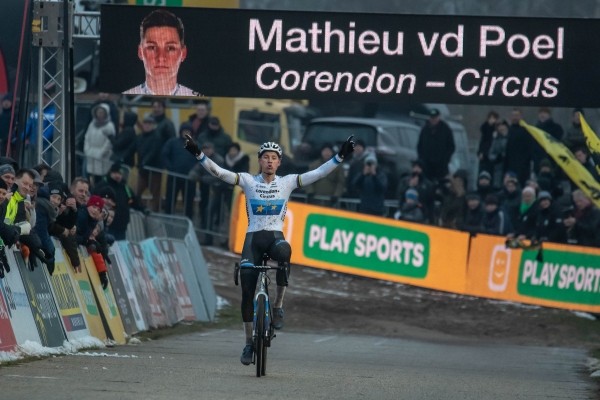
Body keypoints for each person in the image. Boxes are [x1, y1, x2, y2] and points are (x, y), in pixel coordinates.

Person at [183, 134, 355, 366]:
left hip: (275, 239)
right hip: (252, 241)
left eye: (274, 158)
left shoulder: (288, 182)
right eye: (266, 158)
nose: (270, 162)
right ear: (260, 161)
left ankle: (278, 306)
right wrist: (199, 154)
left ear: (280, 162)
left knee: (286, 252)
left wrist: (340, 156)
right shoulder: (247, 180)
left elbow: (319, 173)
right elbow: (220, 173)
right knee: (246, 291)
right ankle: (248, 343)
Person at [123, 9, 197, 96]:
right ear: (140, 52)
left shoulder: (197, 96)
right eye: (152, 47)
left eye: (170, 48)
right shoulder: (126, 94)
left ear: (183, 53)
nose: (161, 57)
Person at [94, 163, 147, 241]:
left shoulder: (125, 188)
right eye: (115, 173)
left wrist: (144, 209)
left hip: (122, 227)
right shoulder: (102, 185)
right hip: (108, 225)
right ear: (110, 173)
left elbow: (134, 202)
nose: (118, 176)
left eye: (119, 173)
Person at [162, 122, 198, 218]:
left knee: (188, 202)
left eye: (188, 131)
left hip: (189, 178)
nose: (186, 133)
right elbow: (165, 155)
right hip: (174, 177)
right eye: (184, 131)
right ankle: (168, 218)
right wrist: (170, 168)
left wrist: (195, 172)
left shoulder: (195, 144)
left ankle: (188, 220)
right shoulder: (172, 142)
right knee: (170, 199)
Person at [416, 108, 455, 182]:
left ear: (438, 117)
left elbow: (451, 146)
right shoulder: (425, 129)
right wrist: (421, 159)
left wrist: (445, 159)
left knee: (441, 183)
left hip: (441, 166)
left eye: (435, 117)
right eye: (432, 117)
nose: (433, 119)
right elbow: (420, 146)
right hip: (427, 165)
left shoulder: (445, 129)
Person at [135, 113, 163, 212]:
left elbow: (153, 152)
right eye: (145, 123)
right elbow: (135, 149)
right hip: (143, 170)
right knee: (137, 193)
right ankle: (140, 209)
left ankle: (155, 212)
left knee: (155, 193)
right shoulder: (139, 137)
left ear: (153, 125)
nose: (147, 125)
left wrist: (144, 162)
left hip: (154, 170)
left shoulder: (157, 137)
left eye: (149, 123)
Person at [84, 103, 116, 184]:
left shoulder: (109, 126)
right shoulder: (92, 124)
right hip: (90, 154)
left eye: (102, 112)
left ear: (106, 113)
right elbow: (87, 137)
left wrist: (101, 152)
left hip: (102, 156)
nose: (100, 114)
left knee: (100, 178)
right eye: (98, 112)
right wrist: (87, 149)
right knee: (90, 178)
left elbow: (109, 142)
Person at [504, 109, 533, 187]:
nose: (515, 117)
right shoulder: (508, 130)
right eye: (513, 115)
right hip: (509, 164)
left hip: (523, 165)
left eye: (517, 115)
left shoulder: (526, 130)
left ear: (521, 116)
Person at [487, 119, 509, 189]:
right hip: (498, 166)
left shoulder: (511, 138)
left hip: (510, 166)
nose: (501, 128)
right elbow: (491, 153)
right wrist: (496, 158)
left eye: (503, 126)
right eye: (499, 127)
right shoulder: (496, 139)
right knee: (497, 185)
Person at [478, 111, 498, 177]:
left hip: (493, 155)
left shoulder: (496, 129)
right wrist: (481, 152)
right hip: (485, 154)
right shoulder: (485, 129)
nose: (492, 120)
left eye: (493, 118)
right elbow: (482, 142)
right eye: (491, 118)